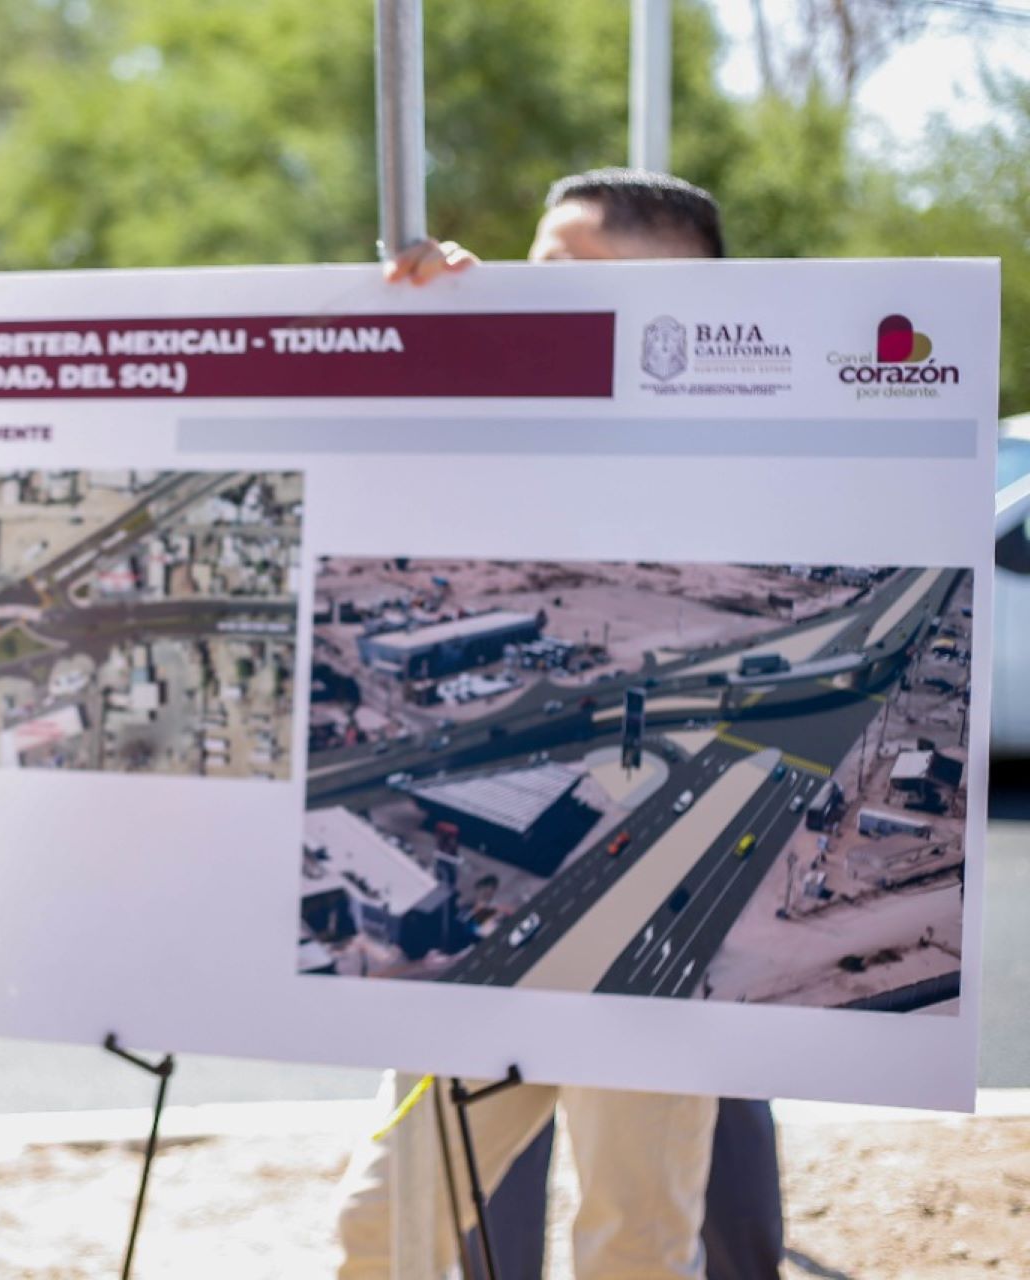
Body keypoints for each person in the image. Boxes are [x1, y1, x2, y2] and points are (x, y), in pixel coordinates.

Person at [335, 169, 784, 1280]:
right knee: (383, 1227)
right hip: (500, 922)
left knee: (634, 1240)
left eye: (564, 277)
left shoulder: (766, 447)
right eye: (530, 273)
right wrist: (433, 327)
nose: (529, 297)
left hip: (658, 929)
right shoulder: (496, 414)